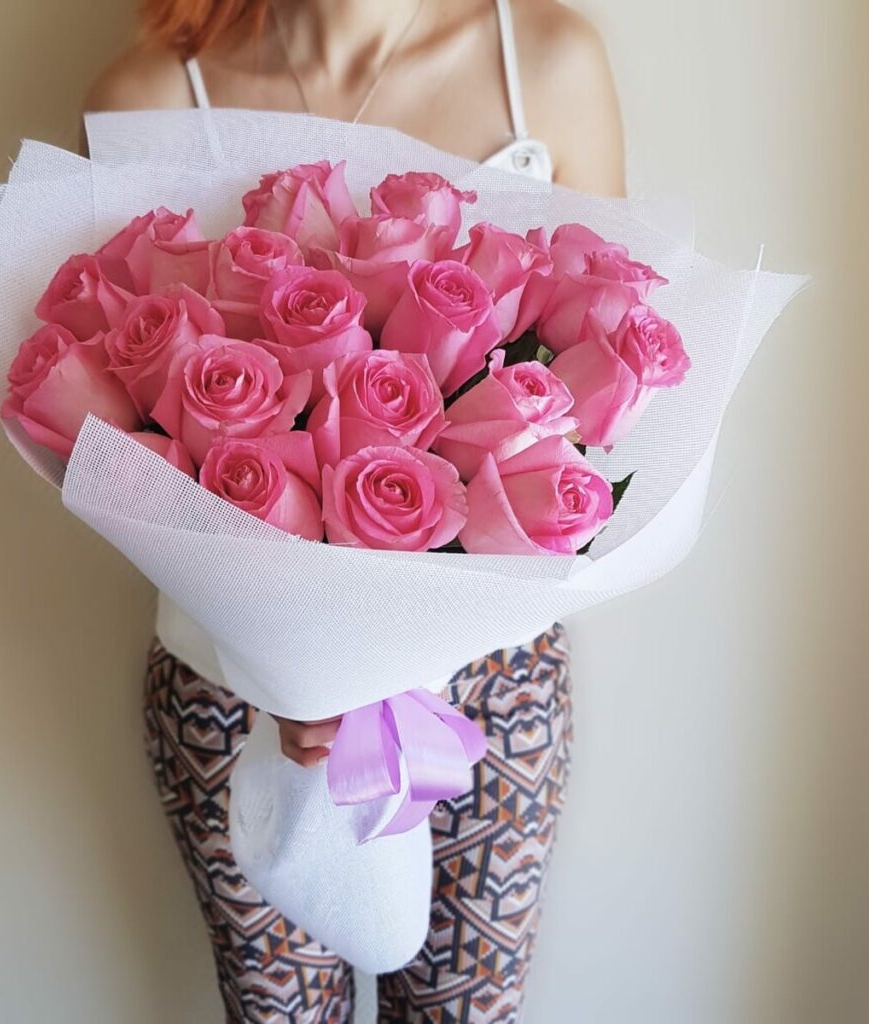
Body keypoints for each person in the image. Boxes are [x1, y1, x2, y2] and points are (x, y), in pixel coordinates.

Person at [86, 2, 625, 1019]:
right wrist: (284, 663)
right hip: (234, 697)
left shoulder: (546, 65)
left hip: (487, 696)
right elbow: (120, 443)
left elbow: (600, 407)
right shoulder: (147, 96)